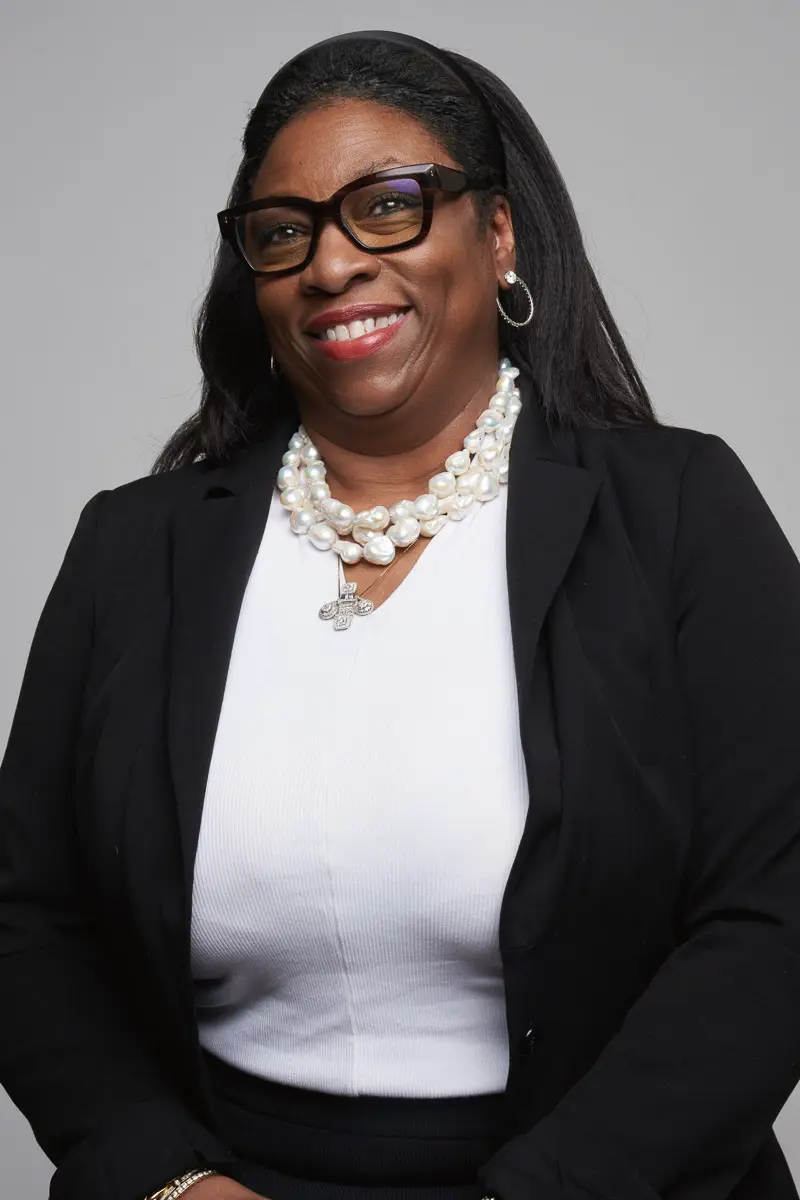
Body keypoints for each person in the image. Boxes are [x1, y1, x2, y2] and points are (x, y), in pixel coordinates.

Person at [1, 26, 799, 1200]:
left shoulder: (676, 511)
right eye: (284, 232)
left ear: (498, 232)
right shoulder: (135, 545)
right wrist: (163, 1179)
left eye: (387, 206)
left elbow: (772, 916)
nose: (331, 264)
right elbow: (26, 915)